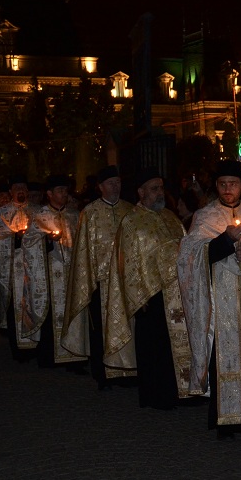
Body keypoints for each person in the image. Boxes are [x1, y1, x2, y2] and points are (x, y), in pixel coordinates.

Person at [178, 159, 241, 437]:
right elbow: (189, 257)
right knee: (222, 357)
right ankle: (223, 419)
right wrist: (225, 241)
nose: (227, 189)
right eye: (222, 184)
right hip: (218, 301)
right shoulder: (205, 216)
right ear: (217, 186)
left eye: (233, 184)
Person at [106, 169, 191, 410]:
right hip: (150, 296)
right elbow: (126, 262)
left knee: (178, 344)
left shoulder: (171, 217)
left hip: (177, 291)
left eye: (161, 188)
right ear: (141, 192)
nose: (159, 193)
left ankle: (183, 391)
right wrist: (138, 295)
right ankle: (157, 396)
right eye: (154, 189)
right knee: (155, 348)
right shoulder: (131, 221)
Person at [64, 166, 137, 391]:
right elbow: (83, 251)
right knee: (100, 330)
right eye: (111, 183)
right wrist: (89, 280)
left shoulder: (130, 210)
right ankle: (103, 374)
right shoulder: (90, 213)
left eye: (118, 182)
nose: (115, 187)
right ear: (100, 187)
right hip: (101, 282)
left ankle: (128, 372)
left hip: (126, 282)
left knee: (128, 326)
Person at [17, 175, 88, 369]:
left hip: (72, 274)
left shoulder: (75, 215)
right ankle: (50, 357)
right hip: (49, 275)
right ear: (49, 194)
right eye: (60, 191)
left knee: (74, 314)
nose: (64, 194)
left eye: (65, 190)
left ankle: (75, 358)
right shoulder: (40, 216)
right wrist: (47, 240)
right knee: (51, 315)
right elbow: (28, 243)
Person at [0, 175, 43, 360]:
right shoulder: (2, 212)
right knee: (16, 306)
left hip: (35, 268)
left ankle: (37, 346)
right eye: (16, 187)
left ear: (27, 191)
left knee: (35, 303)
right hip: (13, 269)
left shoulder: (38, 211)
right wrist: (15, 237)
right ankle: (19, 350)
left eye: (23, 187)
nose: (20, 190)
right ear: (10, 192)